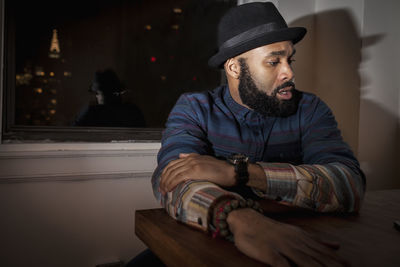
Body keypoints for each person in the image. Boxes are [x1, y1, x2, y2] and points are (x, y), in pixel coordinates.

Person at [147, 2, 365, 266]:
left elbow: (349, 186)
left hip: (301, 239)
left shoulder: (310, 109)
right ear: (234, 68)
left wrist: (241, 172)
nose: (289, 73)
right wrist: (243, 219)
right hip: (208, 241)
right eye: (274, 62)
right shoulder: (195, 109)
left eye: (289, 59)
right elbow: (172, 182)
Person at [73, 69, 146, 127]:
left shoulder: (92, 112)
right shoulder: (133, 111)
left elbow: (74, 131)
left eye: (98, 93)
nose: (96, 96)